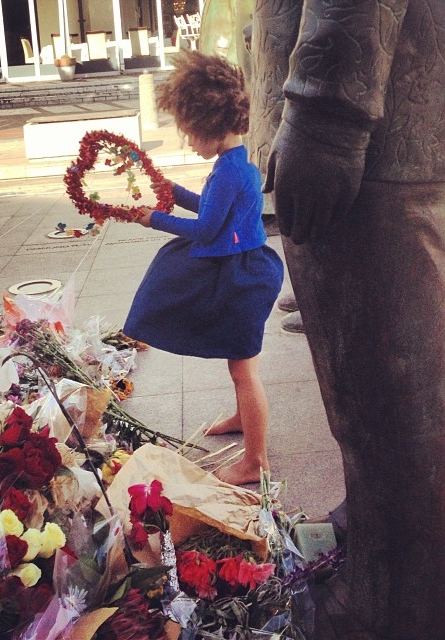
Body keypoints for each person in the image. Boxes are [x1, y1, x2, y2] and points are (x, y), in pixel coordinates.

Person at [249, 1, 445, 638]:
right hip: (390, 115)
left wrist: (327, 113)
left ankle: (405, 605)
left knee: (390, 405)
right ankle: (385, 542)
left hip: (372, 130)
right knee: (381, 399)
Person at [124, 50, 284, 486]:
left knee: (243, 369)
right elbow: (210, 208)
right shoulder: (233, 163)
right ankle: (242, 417)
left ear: (213, 127)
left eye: (192, 135)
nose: (190, 142)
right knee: (239, 364)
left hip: (240, 277)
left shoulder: (232, 172)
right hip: (241, 269)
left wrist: (152, 217)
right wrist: (168, 188)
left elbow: (208, 229)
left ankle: (256, 461)